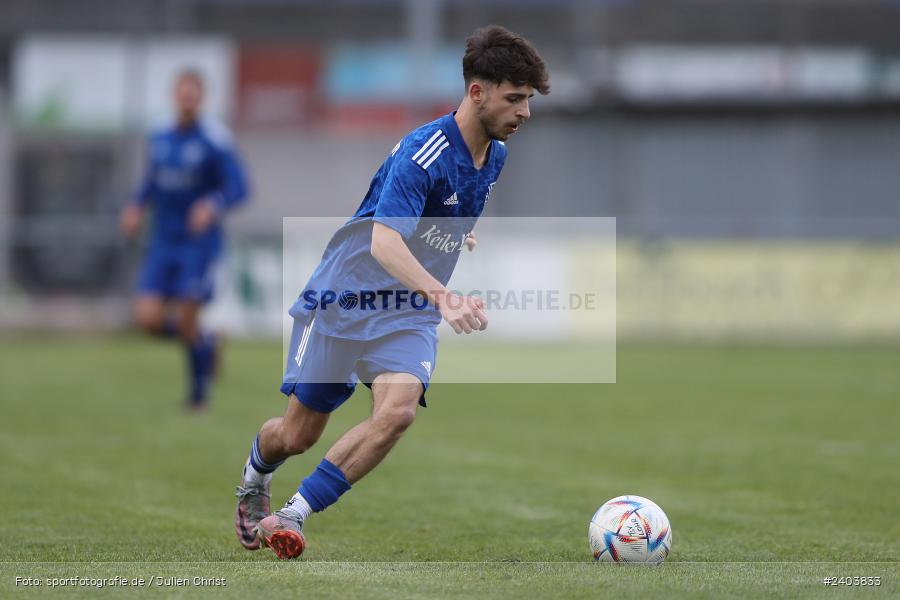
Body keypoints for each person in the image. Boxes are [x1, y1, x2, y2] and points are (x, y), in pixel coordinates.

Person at [234, 25, 549, 559]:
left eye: (527, 100)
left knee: (399, 411)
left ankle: (293, 514)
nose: (524, 112)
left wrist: (454, 234)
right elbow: (384, 242)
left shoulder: (494, 155)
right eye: (515, 98)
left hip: (406, 312)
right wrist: (446, 297)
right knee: (297, 435)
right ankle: (253, 480)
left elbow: (442, 215)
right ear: (478, 92)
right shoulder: (421, 152)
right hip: (344, 299)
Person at [120, 69, 249, 409]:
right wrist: (136, 205)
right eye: (183, 92)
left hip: (199, 244)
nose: (188, 98)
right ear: (174, 95)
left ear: (202, 98)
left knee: (188, 316)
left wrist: (212, 204)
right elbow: (152, 180)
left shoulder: (215, 140)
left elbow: (240, 187)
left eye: (194, 93)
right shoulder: (160, 135)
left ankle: (198, 395)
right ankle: (206, 342)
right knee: (147, 319)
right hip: (163, 240)